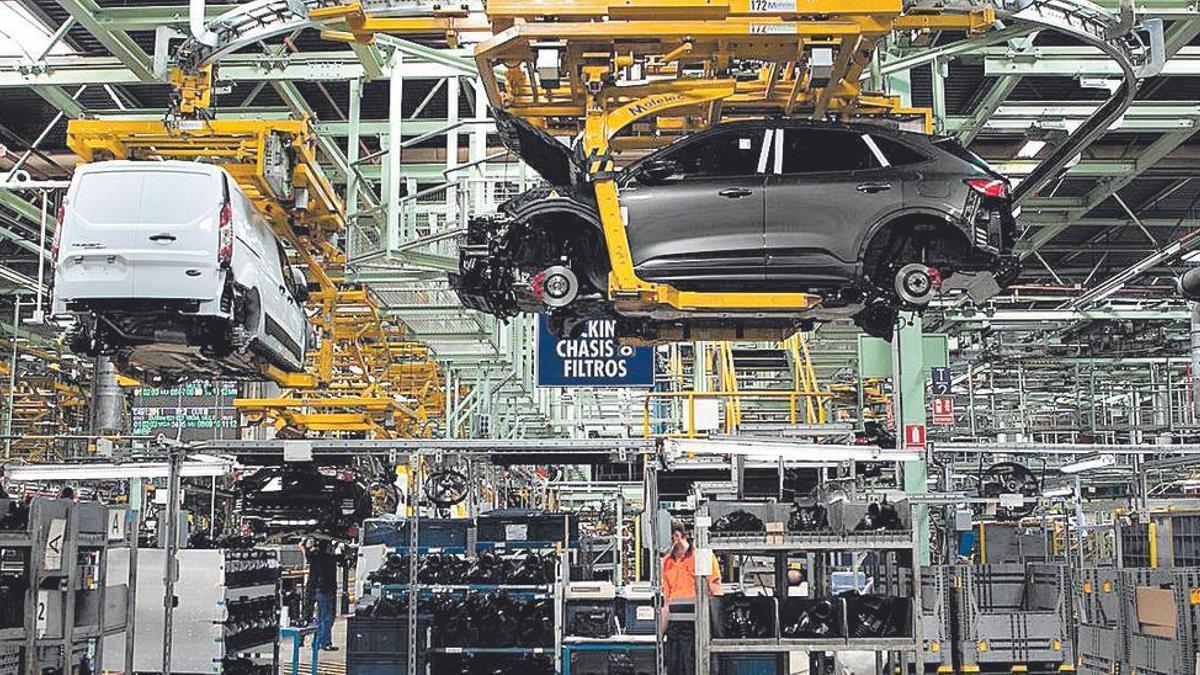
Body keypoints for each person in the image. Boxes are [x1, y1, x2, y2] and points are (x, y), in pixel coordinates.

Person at [661, 519, 721, 675]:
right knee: (675, 667)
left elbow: (716, 593)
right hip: (675, 624)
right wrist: (659, 635)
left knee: (693, 666)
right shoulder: (666, 562)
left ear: (676, 536)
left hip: (697, 622)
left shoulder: (702, 557)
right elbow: (667, 602)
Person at [306, 537, 340, 651]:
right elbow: (339, 559)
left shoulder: (316, 556)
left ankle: (317, 642)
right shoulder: (327, 558)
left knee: (321, 617)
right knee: (326, 617)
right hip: (324, 590)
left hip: (317, 589)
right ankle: (324, 642)